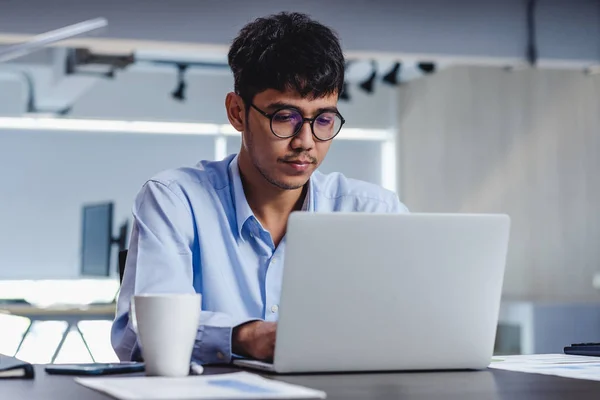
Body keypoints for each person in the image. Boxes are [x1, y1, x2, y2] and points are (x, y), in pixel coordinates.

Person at [111, 11, 408, 365]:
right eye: (285, 118)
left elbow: (414, 321)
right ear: (237, 112)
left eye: (324, 120)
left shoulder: (375, 211)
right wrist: (246, 337)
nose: (305, 142)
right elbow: (141, 333)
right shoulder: (174, 200)